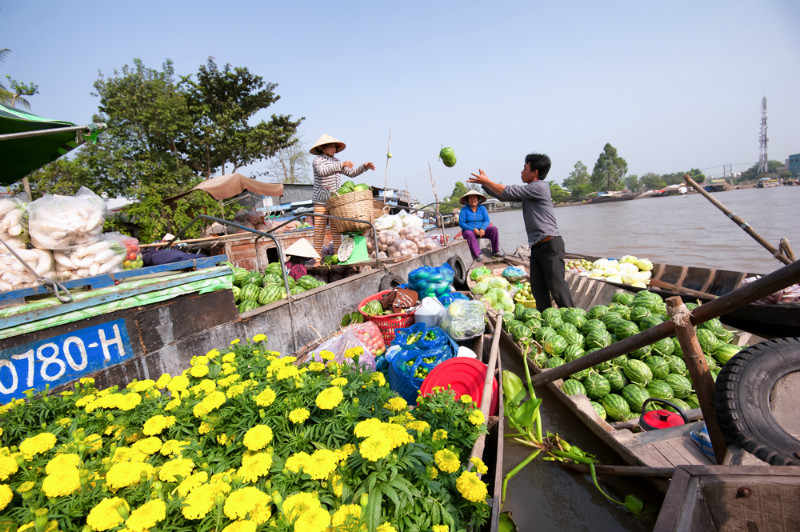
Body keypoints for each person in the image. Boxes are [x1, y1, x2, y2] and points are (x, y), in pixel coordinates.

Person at [468, 153, 574, 311]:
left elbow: (508, 191)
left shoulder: (540, 187)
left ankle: (574, 317)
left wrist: (487, 181)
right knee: (539, 290)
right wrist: (484, 185)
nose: (521, 172)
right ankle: (545, 320)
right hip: (537, 247)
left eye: (525, 168)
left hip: (550, 245)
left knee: (558, 288)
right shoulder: (529, 192)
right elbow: (503, 196)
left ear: (535, 172)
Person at [310, 134, 375, 264]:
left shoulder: (337, 161)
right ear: (323, 148)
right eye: (330, 146)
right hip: (321, 200)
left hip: (335, 202)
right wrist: (341, 165)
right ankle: (317, 259)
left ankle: (339, 256)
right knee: (319, 230)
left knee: (336, 231)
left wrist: (364, 167)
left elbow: (351, 173)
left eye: (334, 146)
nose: (333, 149)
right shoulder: (318, 160)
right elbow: (323, 171)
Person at [457, 190, 504, 262]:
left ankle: (495, 251)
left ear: (478, 199)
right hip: (470, 231)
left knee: (494, 229)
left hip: (482, 231)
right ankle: (478, 254)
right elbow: (461, 223)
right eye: (470, 198)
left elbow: (487, 220)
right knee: (469, 233)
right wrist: (473, 229)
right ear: (467, 200)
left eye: (474, 198)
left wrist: (483, 228)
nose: (473, 200)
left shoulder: (482, 208)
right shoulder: (464, 210)